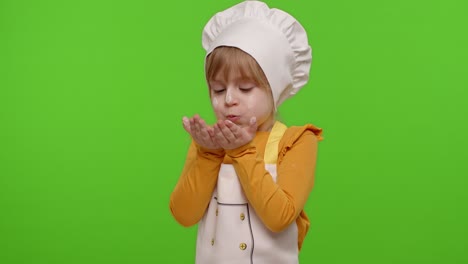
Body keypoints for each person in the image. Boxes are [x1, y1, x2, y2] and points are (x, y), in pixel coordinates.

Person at [169, 1, 323, 263]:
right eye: (218, 89)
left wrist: (241, 151)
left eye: (245, 88)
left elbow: (280, 217)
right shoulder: (209, 144)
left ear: (273, 89)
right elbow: (184, 214)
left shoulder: (295, 142)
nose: (228, 99)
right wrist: (207, 154)